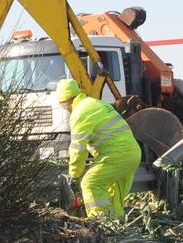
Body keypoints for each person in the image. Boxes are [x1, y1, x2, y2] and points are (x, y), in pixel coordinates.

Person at [55, 78, 142, 220]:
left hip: (117, 154)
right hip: (133, 153)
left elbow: (78, 148)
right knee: (114, 194)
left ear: (65, 101)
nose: (64, 108)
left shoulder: (79, 113)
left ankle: (101, 225)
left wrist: (75, 175)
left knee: (90, 183)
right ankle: (117, 228)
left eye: (62, 105)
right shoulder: (95, 103)